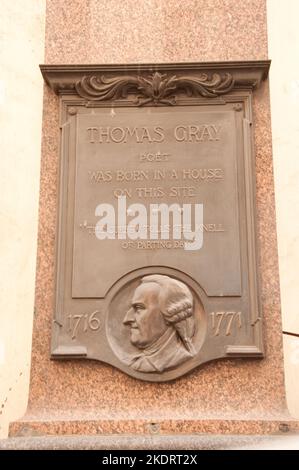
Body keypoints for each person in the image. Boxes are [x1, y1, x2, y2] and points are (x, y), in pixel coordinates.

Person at [123, 274, 196, 373]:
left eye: (139, 308)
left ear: (169, 314)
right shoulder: (137, 362)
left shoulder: (178, 359)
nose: (127, 319)